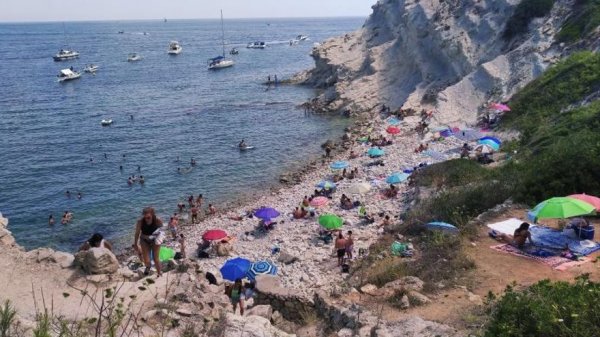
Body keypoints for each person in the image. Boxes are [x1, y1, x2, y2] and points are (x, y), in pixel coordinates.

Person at [133, 207, 164, 276]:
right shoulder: (140, 222)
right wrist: (135, 244)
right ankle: (148, 266)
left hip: (155, 240)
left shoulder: (157, 220)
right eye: (145, 217)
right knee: (146, 260)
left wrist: (155, 237)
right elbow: (137, 233)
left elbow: (162, 230)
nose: (147, 219)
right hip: (144, 240)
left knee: (156, 258)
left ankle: (159, 273)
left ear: (152, 215)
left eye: (149, 217)